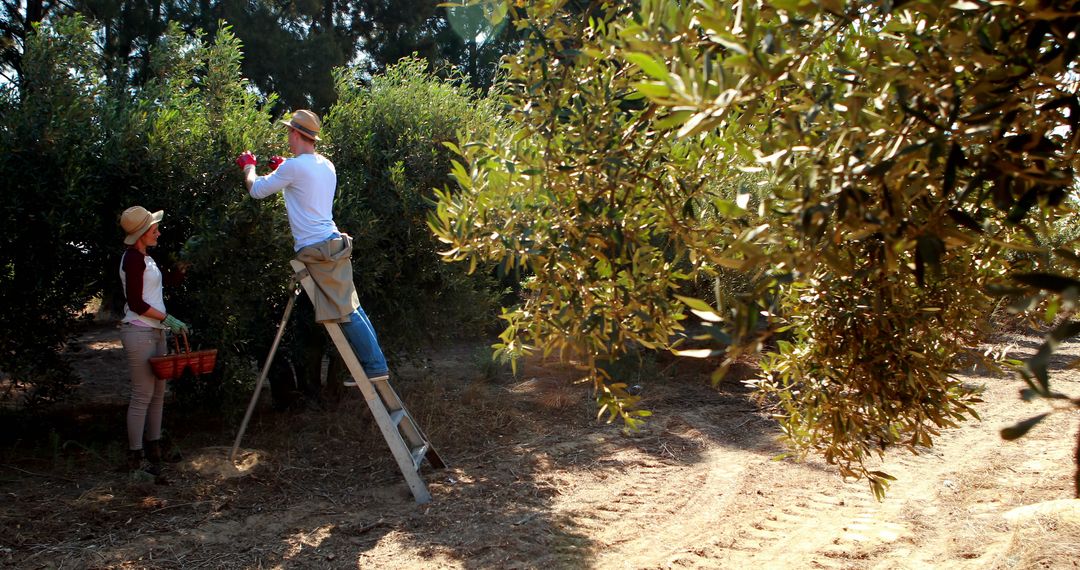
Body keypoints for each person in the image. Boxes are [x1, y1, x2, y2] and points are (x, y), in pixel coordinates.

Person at [235, 110, 389, 387]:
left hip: (317, 251)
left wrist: (249, 165)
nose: (288, 138)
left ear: (295, 134)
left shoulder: (294, 167)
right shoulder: (325, 165)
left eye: (289, 133)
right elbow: (304, 191)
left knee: (346, 312)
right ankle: (375, 364)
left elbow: (256, 189)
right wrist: (282, 168)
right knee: (353, 306)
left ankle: (375, 366)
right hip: (332, 243)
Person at [118, 206, 189, 482]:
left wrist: (181, 269)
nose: (158, 232)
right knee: (142, 395)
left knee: (158, 393)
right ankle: (136, 456)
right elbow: (136, 303)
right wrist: (169, 319)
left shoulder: (145, 258)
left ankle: (154, 449)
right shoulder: (132, 259)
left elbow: (157, 288)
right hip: (140, 332)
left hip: (155, 330)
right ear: (142, 233)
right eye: (154, 228)